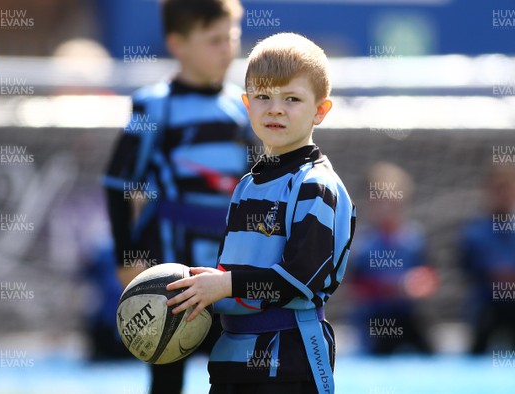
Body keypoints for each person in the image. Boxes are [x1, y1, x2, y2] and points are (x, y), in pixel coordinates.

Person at [165, 32, 356, 394]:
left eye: (292, 98)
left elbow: (303, 279)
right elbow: (234, 271)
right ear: (246, 104)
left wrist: (225, 284)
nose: (276, 108)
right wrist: (197, 290)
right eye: (263, 97)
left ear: (320, 110)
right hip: (230, 362)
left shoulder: (315, 185)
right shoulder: (247, 185)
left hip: (288, 362)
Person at [103, 1, 251, 393]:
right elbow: (118, 184)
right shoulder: (154, 105)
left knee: (233, 365)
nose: (226, 49)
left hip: (224, 264)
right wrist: (126, 256)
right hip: (169, 262)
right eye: (214, 40)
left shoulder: (245, 108)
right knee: (168, 362)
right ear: (178, 43)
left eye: (231, 38)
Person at [348, 162, 436, 355]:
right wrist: (386, 288)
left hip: (409, 316)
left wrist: (415, 286)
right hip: (375, 318)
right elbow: (354, 287)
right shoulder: (363, 243)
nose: (387, 208)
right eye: (381, 202)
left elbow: (429, 276)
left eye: (393, 202)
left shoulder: (415, 238)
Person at [459, 165, 515, 354]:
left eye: (509, 189)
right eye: (499, 189)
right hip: (487, 306)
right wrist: (495, 277)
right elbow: (468, 269)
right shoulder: (475, 231)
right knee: (476, 358)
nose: (504, 195)